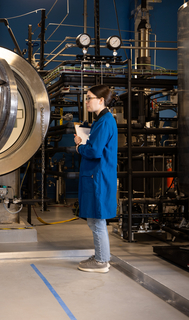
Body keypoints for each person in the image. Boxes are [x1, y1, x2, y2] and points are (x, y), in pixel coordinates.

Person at [73, 85, 117, 273]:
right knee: (94, 220)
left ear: (101, 100)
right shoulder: (102, 121)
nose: (87, 101)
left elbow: (94, 151)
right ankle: (101, 256)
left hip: (97, 176)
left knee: (97, 220)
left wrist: (79, 147)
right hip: (96, 175)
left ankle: (101, 262)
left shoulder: (105, 121)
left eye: (90, 98)